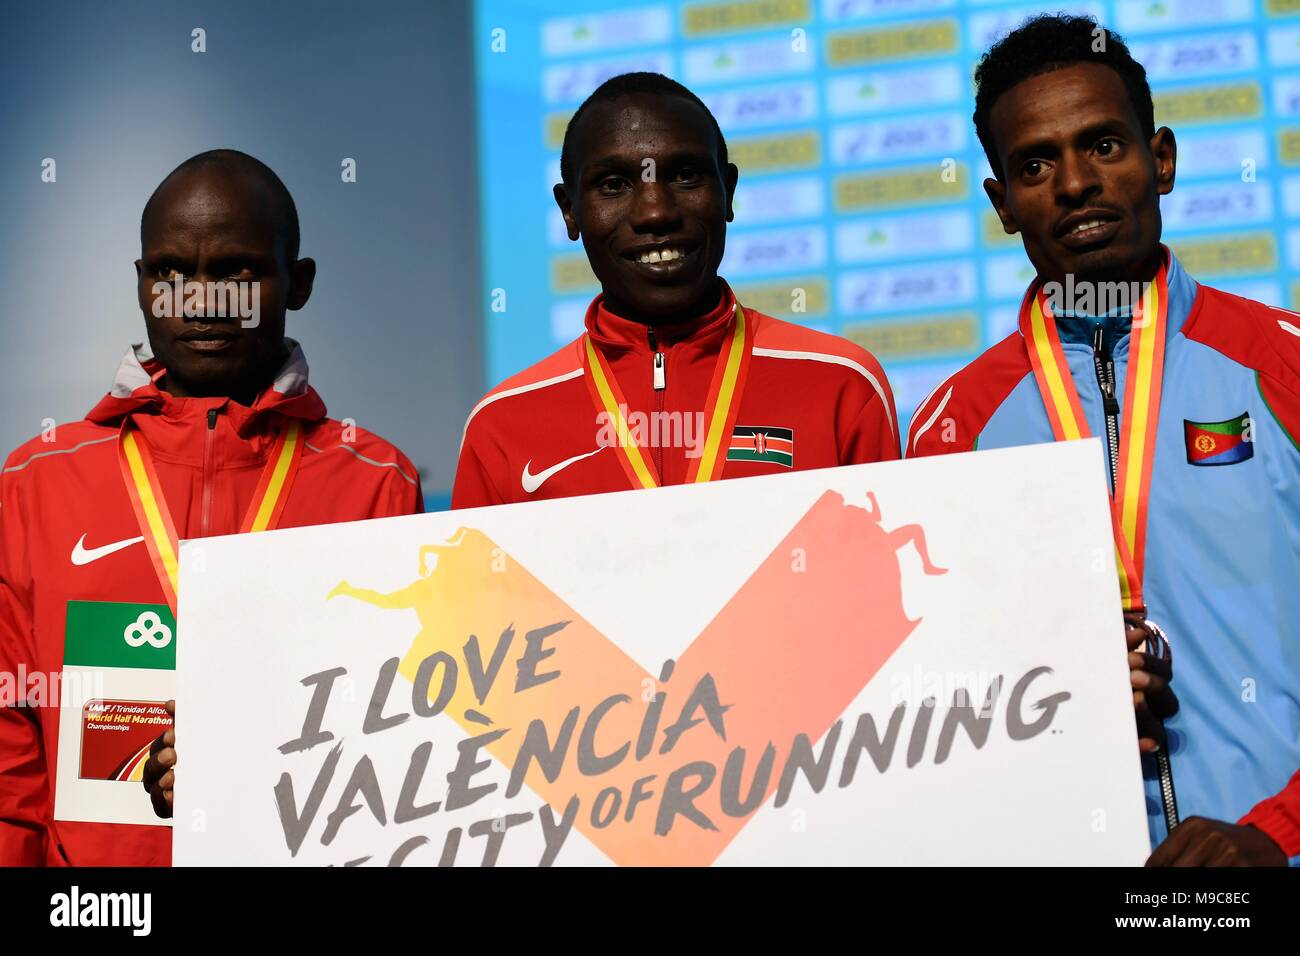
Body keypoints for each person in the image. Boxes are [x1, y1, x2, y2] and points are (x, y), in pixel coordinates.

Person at [907, 15, 1299, 865]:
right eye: (1036, 164)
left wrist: (1277, 836)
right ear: (1002, 203)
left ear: (1161, 159)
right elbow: (932, 716)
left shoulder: (1283, 366)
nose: (1075, 183)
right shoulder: (949, 429)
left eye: (1105, 146)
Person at [0, 149, 423, 866]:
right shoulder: (37, 480)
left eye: (237, 271)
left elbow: (400, 746)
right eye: (171, 271)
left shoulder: (377, 483)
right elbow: (9, 758)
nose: (201, 300)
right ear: (141, 285)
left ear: (301, 282)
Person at [453, 73, 899, 508]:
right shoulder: (501, 426)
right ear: (570, 211)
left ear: (728, 192)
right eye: (614, 185)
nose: (655, 212)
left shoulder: (840, 383)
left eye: (685, 175)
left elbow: (883, 576)